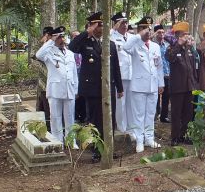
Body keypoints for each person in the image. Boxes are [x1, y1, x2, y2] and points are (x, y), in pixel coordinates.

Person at [69, 11, 124, 162]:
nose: (101, 28)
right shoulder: (85, 42)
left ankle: (108, 149)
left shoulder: (110, 44)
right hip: (92, 89)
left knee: (109, 120)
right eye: (98, 25)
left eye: (102, 25)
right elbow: (72, 47)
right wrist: (86, 32)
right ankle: (96, 150)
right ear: (92, 26)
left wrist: (119, 87)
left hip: (109, 88)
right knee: (94, 121)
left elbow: (115, 68)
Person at [124, 17, 164, 153]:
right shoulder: (135, 44)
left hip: (152, 85)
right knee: (139, 115)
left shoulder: (155, 46)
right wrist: (137, 36)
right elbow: (125, 47)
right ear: (139, 30)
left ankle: (149, 138)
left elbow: (159, 66)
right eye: (145, 29)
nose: (148, 32)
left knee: (151, 113)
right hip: (139, 86)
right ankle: (139, 141)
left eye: (149, 29)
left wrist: (161, 83)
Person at [35, 26, 78, 143]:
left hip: (69, 89)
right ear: (54, 39)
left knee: (70, 117)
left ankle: (71, 141)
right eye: (59, 37)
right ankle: (58, 141)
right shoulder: (49, 52)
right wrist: (51, 41)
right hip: (55, 90)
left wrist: (76, 90)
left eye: (63, 36)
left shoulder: (70, 53)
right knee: (56, 118)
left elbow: (74, 73)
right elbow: (38, 55)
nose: (62, 39)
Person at [166, 21, 197, 145]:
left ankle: (185, 135)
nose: (187, 37)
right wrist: (178, 45)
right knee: (176, 113)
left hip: (189, 86)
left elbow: (195, 65)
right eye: (185, 35)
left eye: (188, 34)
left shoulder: (188, 49)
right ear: (178, 36)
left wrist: (191, 46)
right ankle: (175, 137)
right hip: (177, 87)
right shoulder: (171, 48)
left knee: (188, 114)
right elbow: (170, 58)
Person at [109, 12, 132, 134]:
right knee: (120, 103)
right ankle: (121, 127)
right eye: (122, 23)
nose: (125, 25)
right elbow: (103, 39)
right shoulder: (112, 36)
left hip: (131, 74)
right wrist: (113, 29)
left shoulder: (131, 37)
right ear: (116, 24)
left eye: (126, 22)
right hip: (120, 75)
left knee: (130, 103)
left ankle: (130, 127)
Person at [34, 26, 53, 128]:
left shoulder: (52, 48)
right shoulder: (42, 47)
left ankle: (49, 128)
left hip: (48, 84)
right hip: (41, 84)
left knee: (48, 109)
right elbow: (35, 56)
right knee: (41, 108)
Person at [153, 25, 171, 123]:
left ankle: (164, 116)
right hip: (156, 74)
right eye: (159, 32)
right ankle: (155, 114)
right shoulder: (152, 45)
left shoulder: (167, 45)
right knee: (155, 96)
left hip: (167, 74)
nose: (161, 34)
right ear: (155, 33)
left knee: (166, 96)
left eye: (163, 32)